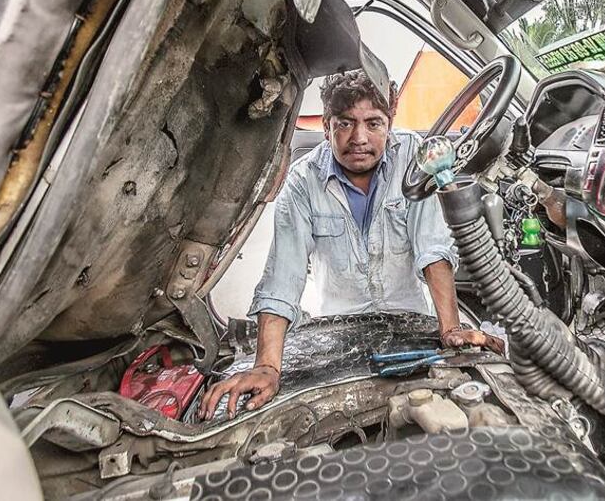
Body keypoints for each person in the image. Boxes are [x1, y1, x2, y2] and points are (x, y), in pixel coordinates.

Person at [200, 70, 505, 419]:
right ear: (326, 126)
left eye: (374, 123)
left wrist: (449, 327)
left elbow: (432, 248)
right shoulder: (301, 182)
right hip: (341, 333)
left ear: (390, 124)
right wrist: (268, 366)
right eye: (345, 123)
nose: (359, 137)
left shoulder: (414, 160)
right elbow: (283, 277)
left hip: (413, 324)